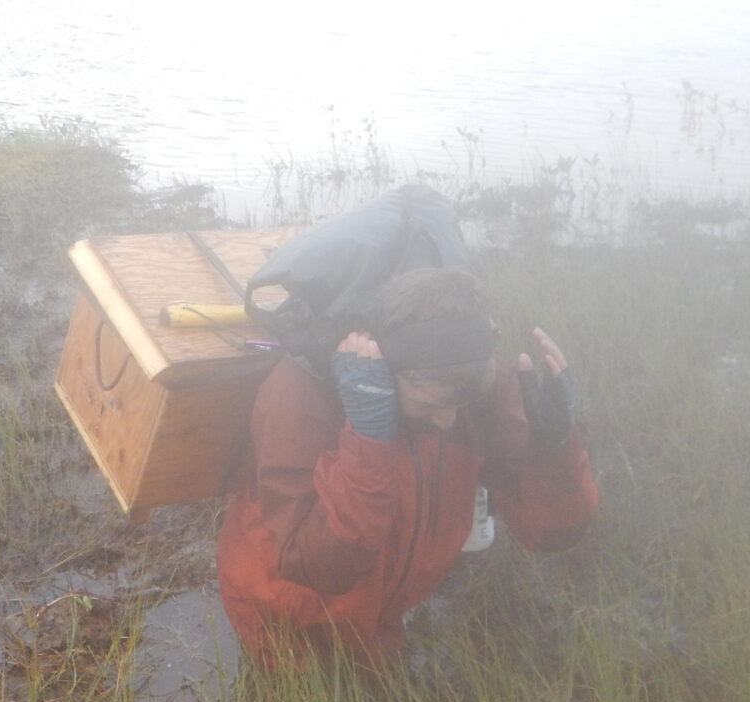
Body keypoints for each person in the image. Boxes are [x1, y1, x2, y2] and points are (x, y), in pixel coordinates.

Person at [215, 266, 598, 666]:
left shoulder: (472, 384)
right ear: (386, 370)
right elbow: (317, 566)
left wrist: (555, 444)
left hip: (383, 608)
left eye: (459, 406)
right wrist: (369, 438)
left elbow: (553, 535)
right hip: (290, 613)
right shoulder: (299, 393)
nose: (448, 420)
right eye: (429, 405)